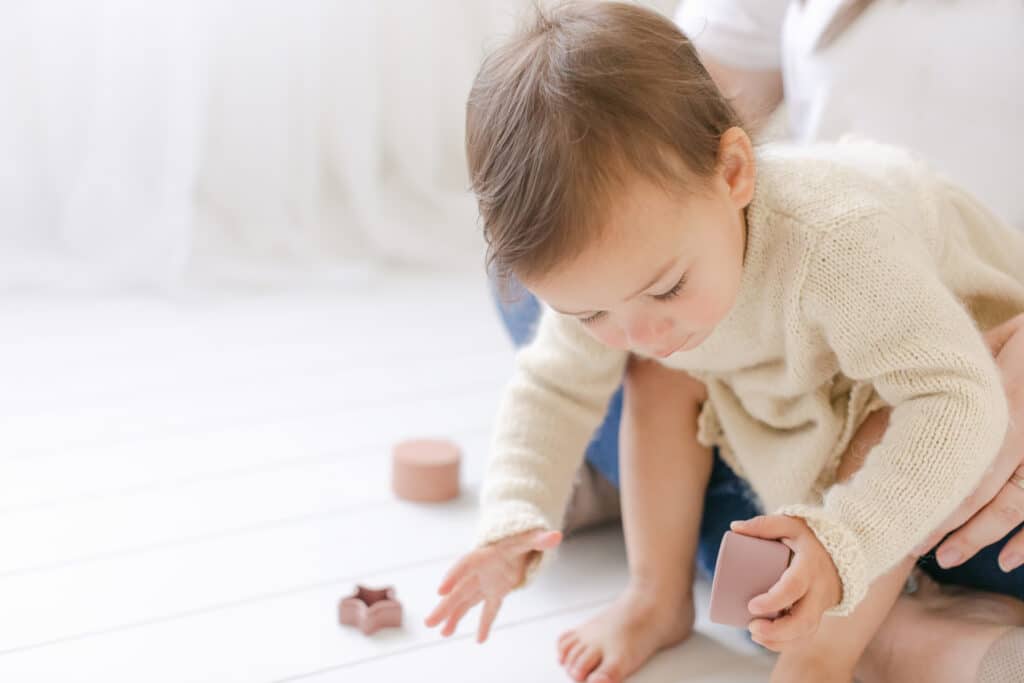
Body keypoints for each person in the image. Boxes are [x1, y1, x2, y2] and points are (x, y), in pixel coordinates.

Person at [424, 3, 1024, 682]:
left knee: (878, 429)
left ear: (735, 173)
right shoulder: (636, 280)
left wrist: (840, 543)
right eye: (590, 310)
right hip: (802, 365)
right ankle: (655, 595)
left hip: (950, 368)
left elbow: (956, 396)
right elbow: (552, 385)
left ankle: (822, 653)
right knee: (647, 365)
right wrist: (513, 517)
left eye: (668, 286)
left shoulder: (838, 241)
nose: (636, 328)